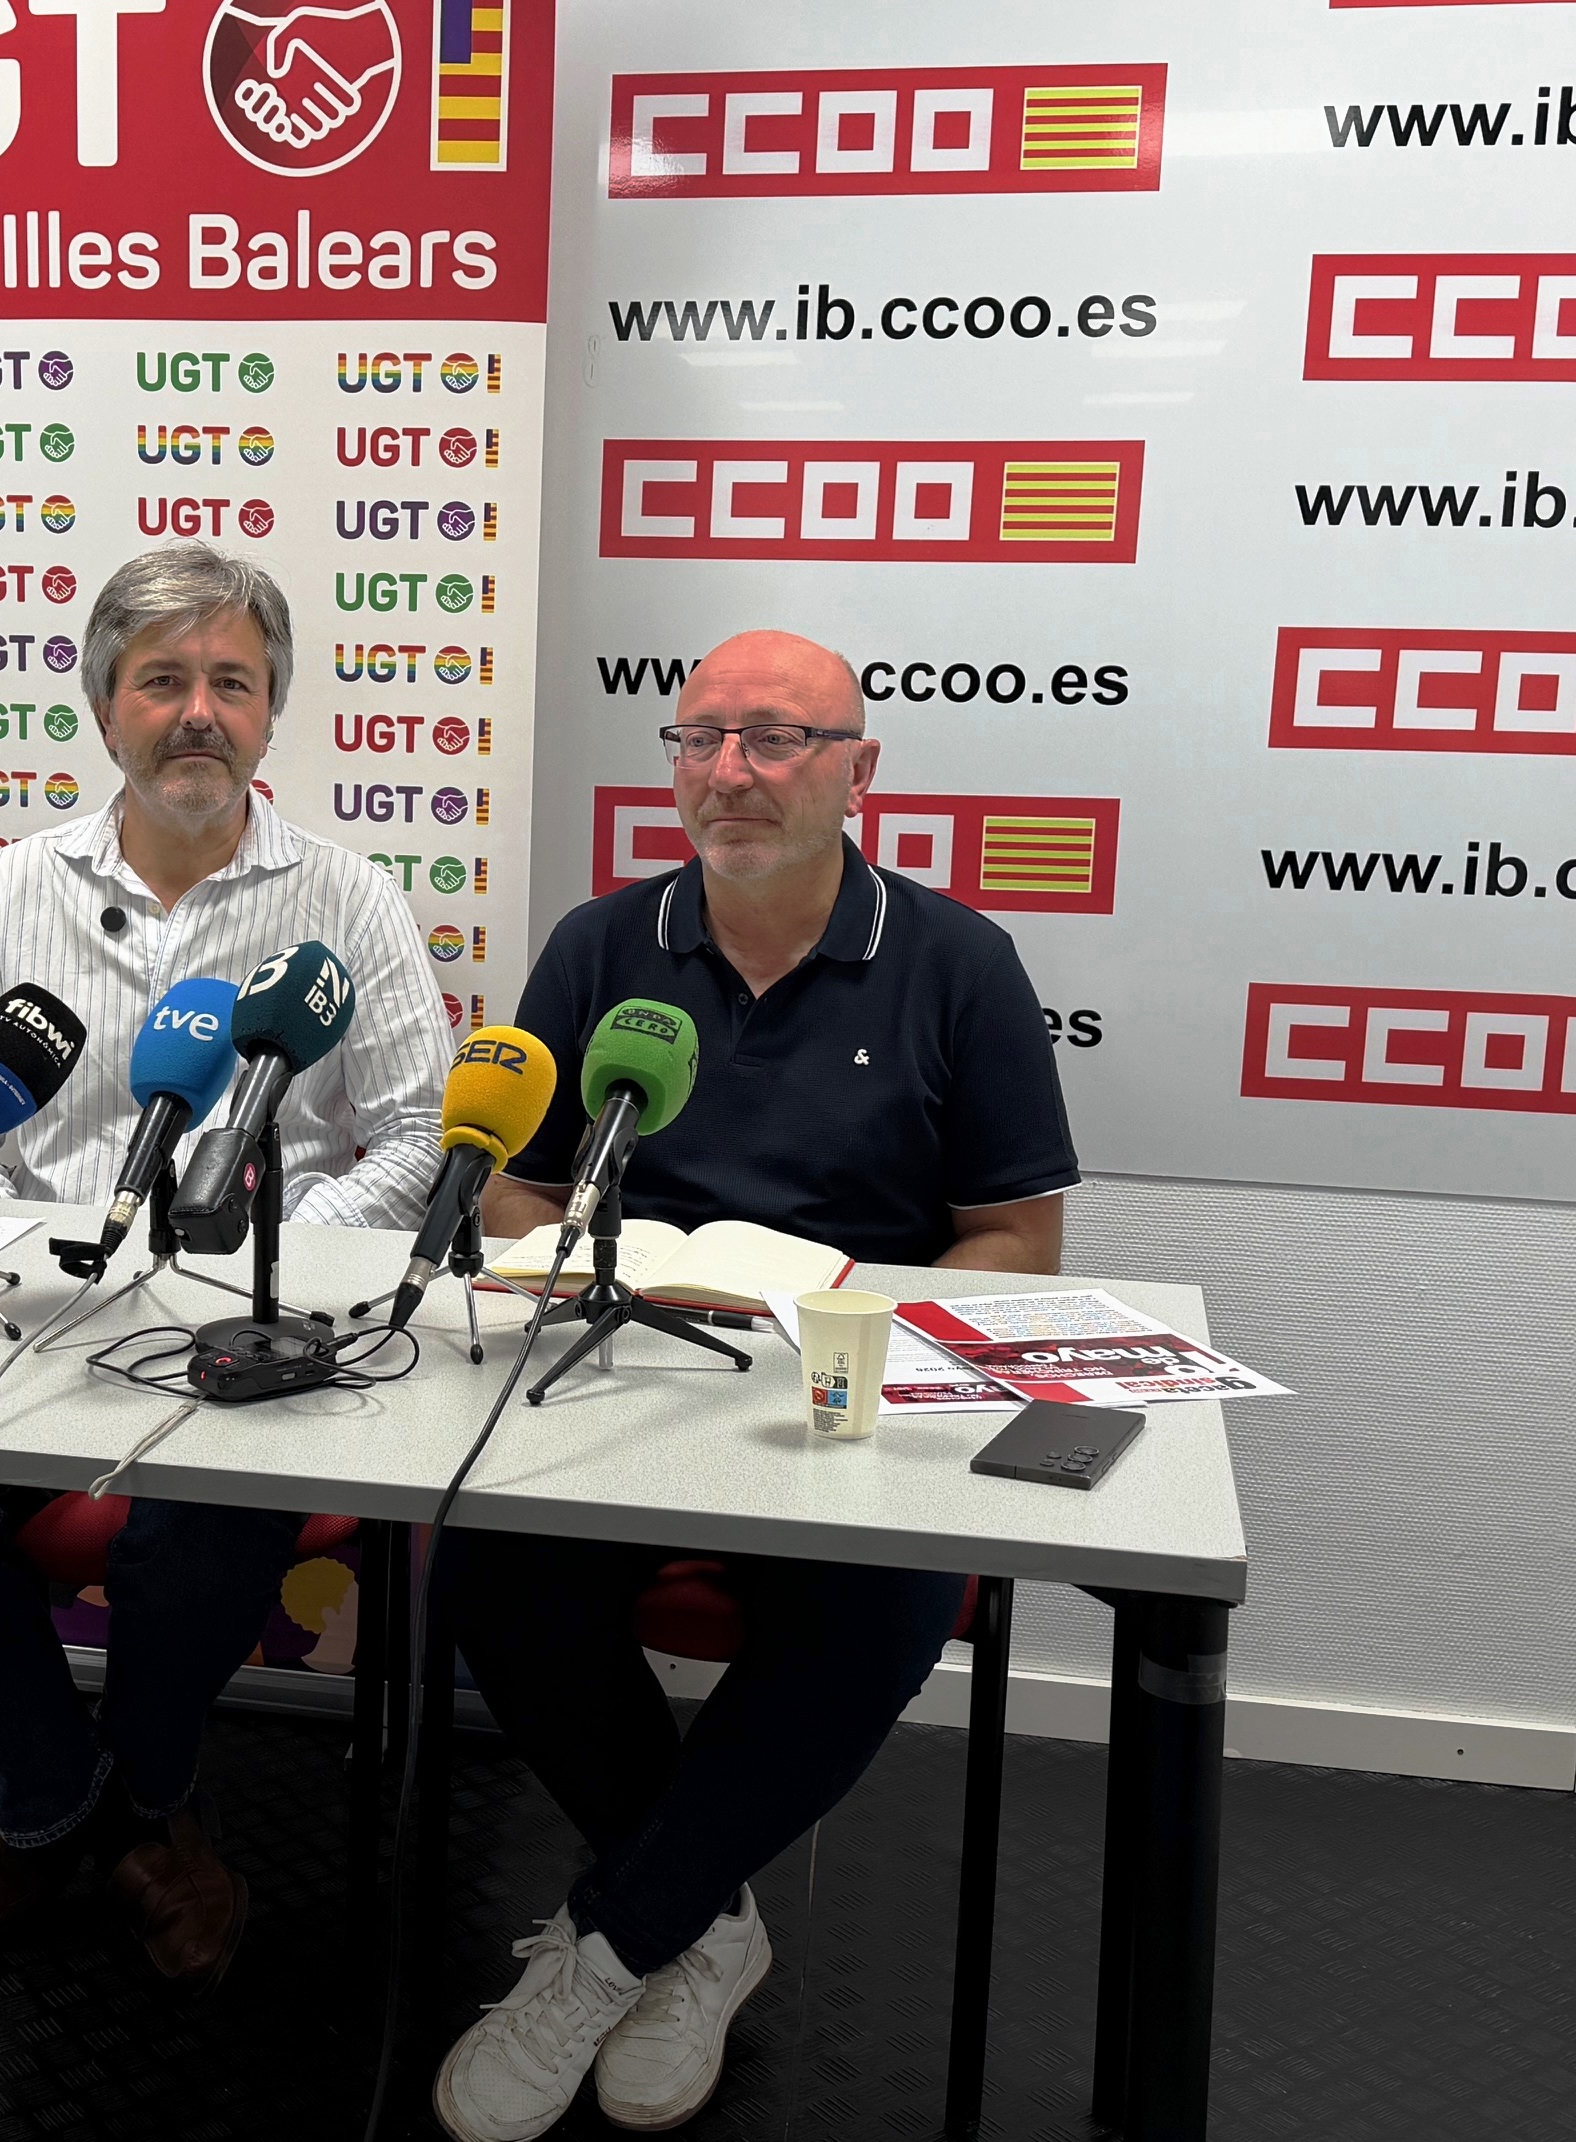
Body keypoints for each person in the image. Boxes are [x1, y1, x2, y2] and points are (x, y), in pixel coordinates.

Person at [431, 630, 1078, 2138]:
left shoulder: (959, 961)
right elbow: (514, 1190)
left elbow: (1016, 1236)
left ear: (860, 769)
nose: (731, 770)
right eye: (701, 736)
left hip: (840, 1399)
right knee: (491, 1566)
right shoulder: (601, 943)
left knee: (885, 1602)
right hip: (620, 1371)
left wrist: (870, 1316)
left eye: (777, 738)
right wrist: (569, 1252)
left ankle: (613, 1944)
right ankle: (702, 1920)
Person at [0, 542, 452, 1992]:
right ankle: (91, 1813)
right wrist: (57, 1255)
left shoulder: (348, 902)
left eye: (233, 682)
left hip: (254, 1334)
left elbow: (413, 1141)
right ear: (105, 704)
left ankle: (87, 1810)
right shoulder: (8, 890)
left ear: (273, 712)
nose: (198, 713)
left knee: (205, 1534)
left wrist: (269, 1271)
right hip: (42, 1319)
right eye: (163, 680)